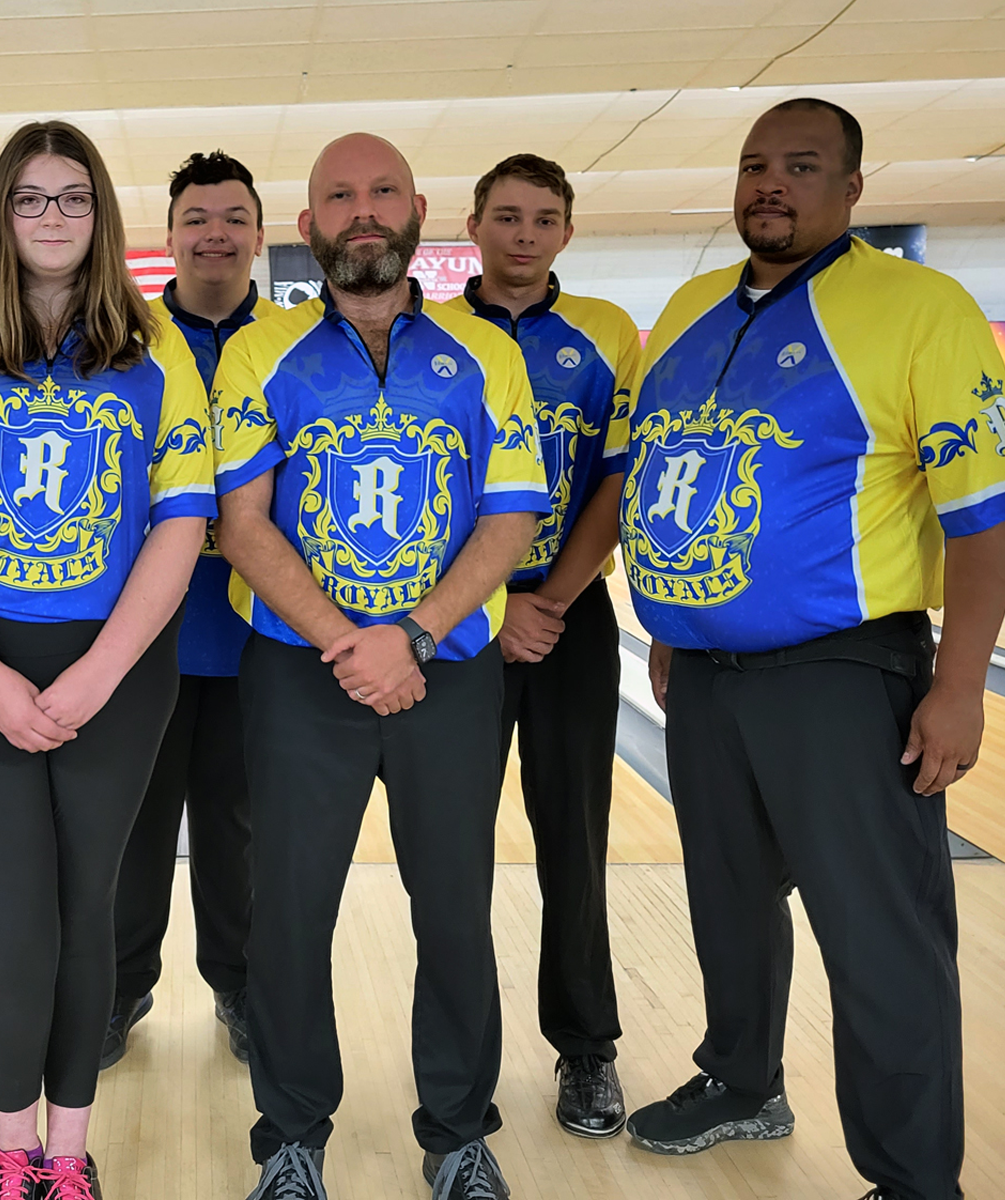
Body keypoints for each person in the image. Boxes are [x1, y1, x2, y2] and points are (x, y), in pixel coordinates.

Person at [622, 98, 1005, 1200]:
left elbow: (984, 518)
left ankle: (914, 1176)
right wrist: (675, 626)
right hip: (701, 678)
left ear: (852, 191)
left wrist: (962, 684)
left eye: (800, 166)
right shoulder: (695, 307)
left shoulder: (918, 307)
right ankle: (742, 1081)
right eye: (754, 167)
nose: (769, 185)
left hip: (843, 673)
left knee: (879, 938)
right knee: (729, 904)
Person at [0, 119, 215, 1200]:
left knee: (85, 914)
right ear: (3, 215)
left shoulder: (154, 351)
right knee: (6, 917)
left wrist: (100, 672)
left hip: (117, 672)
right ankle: (12, 1151)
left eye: (72, 199)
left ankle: (70, 1153)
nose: (52, 218)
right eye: (31, 199)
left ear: (99, 217)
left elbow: (179, 520)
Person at [212, 132, 548, 1200]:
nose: (364, 211)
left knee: (452, 907)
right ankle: (294, 1132)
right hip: (299, 673)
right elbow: (244, 523)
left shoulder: (486, 356)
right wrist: (346, 642)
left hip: (446, 670)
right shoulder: (257, 354)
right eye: (340, 196)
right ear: (308, 228)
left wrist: (410, 634)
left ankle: (457, 1133)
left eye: (383, 192)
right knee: (292, 911)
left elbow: (510, 513)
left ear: (415, 214)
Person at [443, 152, 641, 1139]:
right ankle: (460, 1058)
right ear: (472, 227)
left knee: (575, 837)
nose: (524, 234)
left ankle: (588, 1049)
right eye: (507, 216)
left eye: (544, 218)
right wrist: (487, 607)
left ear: (567, 231)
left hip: (568, 619)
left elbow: (614, 482)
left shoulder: (604, 335)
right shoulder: (431, 334)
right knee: (452, 850)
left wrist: (551, 602)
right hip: (458, 622)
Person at [106, 150, 279, 1069]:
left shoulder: (292, 346)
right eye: (196, 218)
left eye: (232, 217)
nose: (215, 233)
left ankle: (239, 986)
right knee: (132, 822)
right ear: (169, 237)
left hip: (256, 633)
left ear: (259, 232)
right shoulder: (124, 339)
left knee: (236, 826)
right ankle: (122, 986)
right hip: (143, 637)